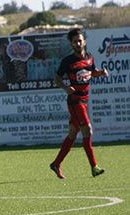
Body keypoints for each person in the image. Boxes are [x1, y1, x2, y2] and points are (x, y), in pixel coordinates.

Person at [50, 28, 109, 179]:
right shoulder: (68, 61)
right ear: (71, 44)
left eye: (79, 40)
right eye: (74, 41)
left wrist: (100, 73)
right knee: (87, 130)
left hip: (85, 100)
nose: (77, 43)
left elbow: (91, 72)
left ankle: (56, 163)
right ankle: (94, 166)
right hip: (75, 101)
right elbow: (57, 78)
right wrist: (65, 87)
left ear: (84, 41)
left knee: (72, 132)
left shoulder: (89, 57)